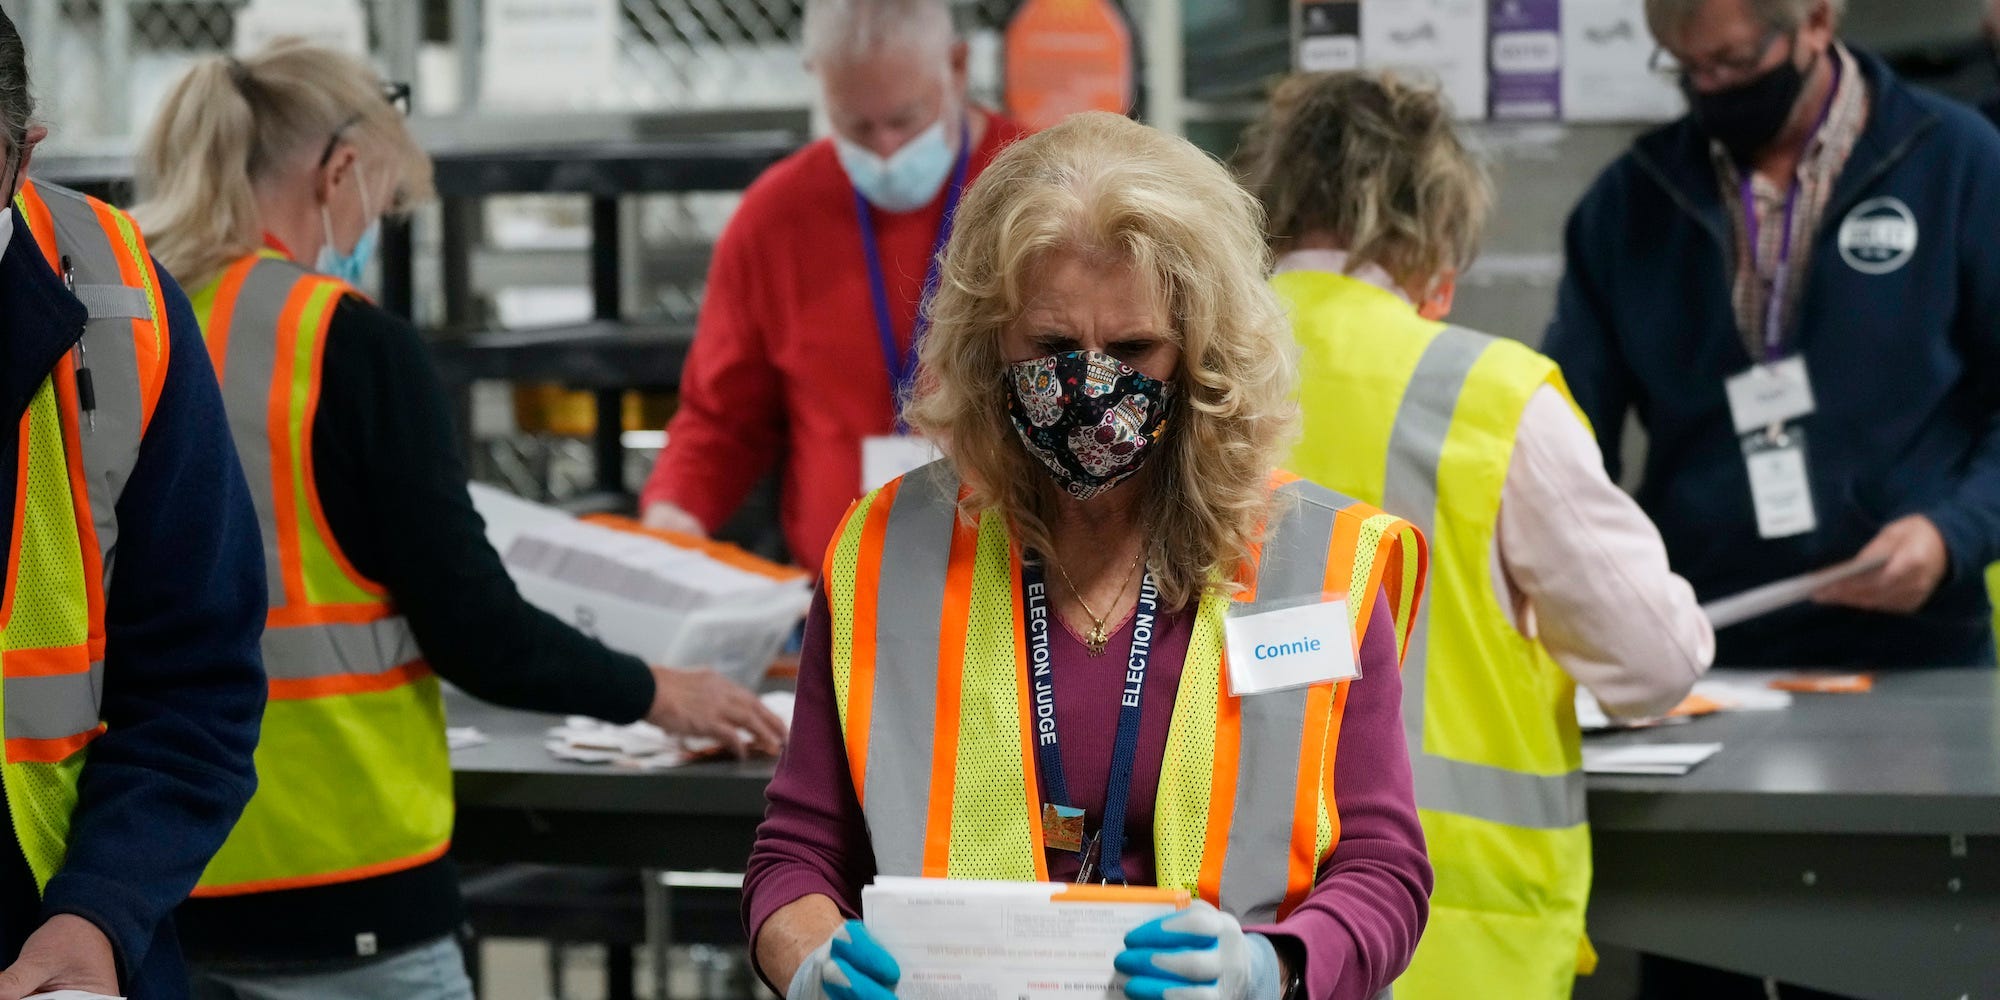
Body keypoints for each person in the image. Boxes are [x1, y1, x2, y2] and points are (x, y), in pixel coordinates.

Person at [130, 41, 787, 998]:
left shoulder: (131, 326)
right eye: (385, 203)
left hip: (149, 877)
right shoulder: (346, 346)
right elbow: (475, 629)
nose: (372, 229)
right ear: (339, 172)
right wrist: (657, 691)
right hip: (343, 884)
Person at [744, 112, 1434, 1000]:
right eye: (1054, 349)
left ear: (1202, 352)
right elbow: (797, 853)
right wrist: (808, 960)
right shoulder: (886, 552)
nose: (1092, 385)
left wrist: (1271, 967)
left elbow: (1383, 869)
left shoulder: (1316, 564)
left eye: (1136, 349)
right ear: (991, 343)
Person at [1239, 70, 1715, 1000]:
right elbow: (1656, 660)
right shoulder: (1489, 397)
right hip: (1451, 934)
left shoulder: (1183, 368)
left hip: (1224, 925)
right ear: (1434, 229)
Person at [1545, 0, 2000, 672]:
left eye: (1732, 61)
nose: (1710, 87)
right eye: (1688, 66)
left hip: (1918, 643)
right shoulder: (1630, 203)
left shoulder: (1960, 167)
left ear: (1815, 23)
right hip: (1705, 647)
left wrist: (1951, 532)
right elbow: (1569, 436)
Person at [0, 12, 269, 1000]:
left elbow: (195, 673)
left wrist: (97, 914)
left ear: (23, 154)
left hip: (48, 952)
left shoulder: (120, 304)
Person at [637, 0, 1026, 566]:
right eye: (857, 126)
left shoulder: (1036, 193)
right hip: (839, 599)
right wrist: (674, 514)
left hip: (1013, 585)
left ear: (959, 67)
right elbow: (722, 418)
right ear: (819, 85)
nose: (886, 150)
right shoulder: (776, 217)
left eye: (905, 120)